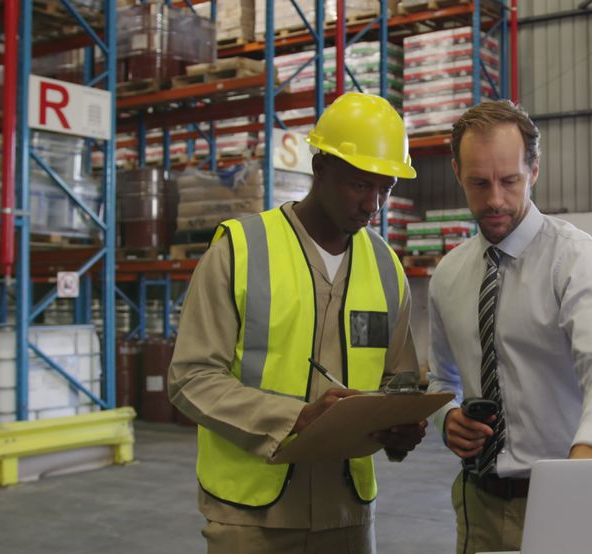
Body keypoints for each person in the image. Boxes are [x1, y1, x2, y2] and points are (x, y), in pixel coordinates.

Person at [169, 92, 427, 554]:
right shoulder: (240, 251)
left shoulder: (387, 269)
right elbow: (190, 378)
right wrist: (295, 417)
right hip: (251, 516)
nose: (374, 204)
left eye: (385, 188)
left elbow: (398, 379)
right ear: (321, 167)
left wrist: (402, 424)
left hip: (347, 514)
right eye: (359, 184)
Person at [427, 100, 592, 554]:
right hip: (477, 506)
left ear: (534, 171)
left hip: (566, 501)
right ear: (456, 173)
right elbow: (439, 378)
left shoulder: (575, 261)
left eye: (510, 181)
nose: (496, 200)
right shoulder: (448, 275)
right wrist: (448, 420)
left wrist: (584, 468)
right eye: (479, 183)